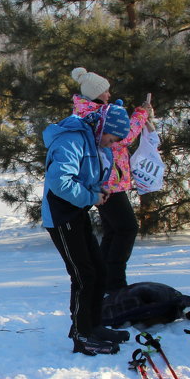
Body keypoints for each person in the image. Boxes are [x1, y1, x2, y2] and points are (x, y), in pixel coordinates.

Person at [42, 101, 133, 355]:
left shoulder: (91, 139)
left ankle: (93, 325)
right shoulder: (71, 140)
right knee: (84, 276)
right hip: (60, 216)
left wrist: (96, 190)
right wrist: (90, 197)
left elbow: (85, 176)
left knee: (99, 270)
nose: (111, 143)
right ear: (102, 127)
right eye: (111, 137)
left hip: (76, 212)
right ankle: (82, 335)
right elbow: (59, 181)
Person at [69, 67, 153, 293]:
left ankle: (105, 278)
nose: (108, 94)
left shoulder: (90, 110)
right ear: (95, 93)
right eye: (105, 91)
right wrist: (141, 114)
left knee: (114, 230)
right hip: (109, 180)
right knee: (127, 228)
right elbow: (124, 136)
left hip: (105, 179)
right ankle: (115, 281)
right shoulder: (101, 114)